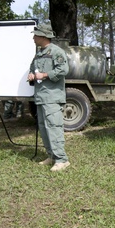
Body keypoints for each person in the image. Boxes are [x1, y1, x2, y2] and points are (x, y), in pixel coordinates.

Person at [27, 23, 69, 171]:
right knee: (44, 128)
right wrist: (32, 75)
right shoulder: (39, 53)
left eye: (35, 35)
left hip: (52, 97)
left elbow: (63, 69)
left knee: (54, 127)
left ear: (43, 36)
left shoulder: (56, 52)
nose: (33, 37)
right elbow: (33, 69)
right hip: (41, 97)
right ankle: (51, 155)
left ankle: (62, 160)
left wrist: (44, 75)